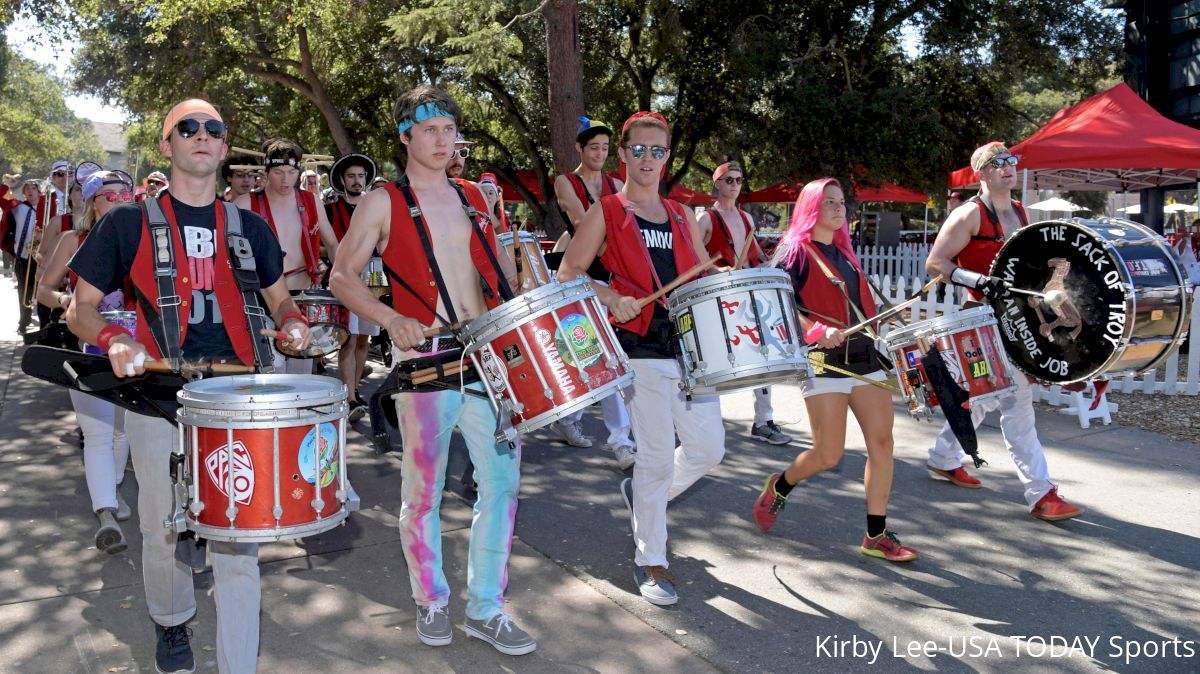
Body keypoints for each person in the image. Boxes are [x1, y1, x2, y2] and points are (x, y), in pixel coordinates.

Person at [66, 98, 313, 674]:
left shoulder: (250, 228)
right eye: (188, 128)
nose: (202, 136)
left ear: (224, 149)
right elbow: (80, 310)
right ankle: (172, 620)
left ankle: (237, 666)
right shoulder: (126, 221)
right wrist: (114, 340)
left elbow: (281, 301)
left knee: (237, 542)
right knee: (161, 528)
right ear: (167, 144)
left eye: (214, 129)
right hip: (157, 399)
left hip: (238, 400)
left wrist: (296, 326)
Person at [329, 85, 534, 655]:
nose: (443, 140)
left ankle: (487, 608)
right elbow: (341, 276)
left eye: (449, 129)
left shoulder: (474, 195)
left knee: (503, 485)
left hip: (486, 358)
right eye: (429, 130)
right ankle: (431, 599)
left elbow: (492, 276)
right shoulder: (381, 200)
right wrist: (390, 317)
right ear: (405, 137)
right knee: (423, 493)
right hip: (425, 361)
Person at [559, 111, 725, 606]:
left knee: (708, 448)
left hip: (690, 347)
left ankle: (644, 497)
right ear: (624, 154)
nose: (647, 159)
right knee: (653, 456)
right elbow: (568, 273)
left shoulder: (679, 214)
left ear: (667, 157)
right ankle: (652, 559)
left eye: (657, 151)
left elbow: (696, 275)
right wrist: (610, 298)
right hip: (640, 348)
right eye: (638, 150)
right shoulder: (607, 210)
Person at [750, 178, 918, 562]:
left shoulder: (846, 251)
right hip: (822, 362)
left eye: (841, 202)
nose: (838, 208)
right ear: (811, 206)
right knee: (828, 454)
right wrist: (814, 330)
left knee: (883, 443)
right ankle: (781, 484)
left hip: (863, 359)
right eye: (829, 202)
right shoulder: (794, 252)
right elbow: (777, 303)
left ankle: (876, 534)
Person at [924, 141, 1082, 521]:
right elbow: (935, 262)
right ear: (981, 173)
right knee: (1017, 403)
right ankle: (1041, 493)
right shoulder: (969, 215)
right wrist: (974, 278)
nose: (1008, 167)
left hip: (1018, 318)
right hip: (982, 318)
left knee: (986, 396)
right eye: (997, 163)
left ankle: (943, 456)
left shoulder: (1022, 212)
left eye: (1011, 160)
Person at [37, 170, 135, 553]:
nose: (118, 200)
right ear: (92, 203)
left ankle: (111, 491)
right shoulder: (73, 239)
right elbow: (43, 290)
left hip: (135, 348)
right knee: (97, 433)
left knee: (122, 431)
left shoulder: (141, 238)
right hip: (88, 348)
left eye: (124, 193)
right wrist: (69, 304)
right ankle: (106, 513)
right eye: (108, 196)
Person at [547, 116, 637, 465]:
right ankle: (609, 435)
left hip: (615, 276)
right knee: (596, 355)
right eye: (593, 147)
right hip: (581, 275)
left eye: (604, 148)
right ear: (579, 148)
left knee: (603, 355)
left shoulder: (617, 181)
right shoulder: (565, 182)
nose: (599, 153)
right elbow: (584, 224)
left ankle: (589, 427)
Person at [699, 161, 792, 446]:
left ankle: (764, 420)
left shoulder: (746, 219)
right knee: (713, 359)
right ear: (717, 184)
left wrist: (775, 264)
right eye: (729, 180)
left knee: (763, 351)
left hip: (745, 295)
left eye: (739, 180)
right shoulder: (705, 219)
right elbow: (692, 256)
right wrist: (716, 271)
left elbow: (754, 257)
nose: (735, 185)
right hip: (716, 296)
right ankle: (705, 425)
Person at [236, 138, 339, 375]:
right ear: (266, 171)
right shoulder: (244, 204)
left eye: (292, 172)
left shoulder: (311, 201)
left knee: (301, 376)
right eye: (279, 172)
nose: (285, 180)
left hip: (303, 299)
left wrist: (340, 277)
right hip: (261, 301)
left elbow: (332, 244)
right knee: (270, 372)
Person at [325, 152, 378, 421]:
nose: (357, 181)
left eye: (361, 176)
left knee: (363, 339)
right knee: (347, 338)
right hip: (344, 278)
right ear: (342, 180)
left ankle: (355, 390)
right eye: (352, 177)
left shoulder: (376, 208)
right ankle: (349, 396)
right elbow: (324, 243)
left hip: (372, 279)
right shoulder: (331, 210)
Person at [5, 179, 43, 332]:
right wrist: (8, 185)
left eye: (33, 188)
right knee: (23, 289)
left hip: (42, 255)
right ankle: (24, 320)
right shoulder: (17, 207)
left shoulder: (47, 207)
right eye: (27, 188)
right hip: (22, 254)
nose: (30, 191)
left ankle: (44, 320)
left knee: (42, 288)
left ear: (39, 191)